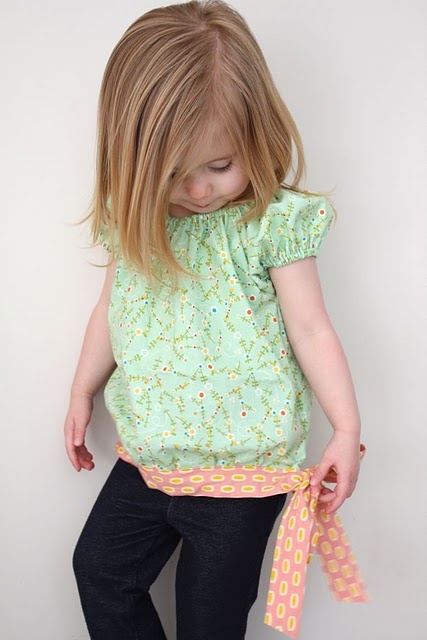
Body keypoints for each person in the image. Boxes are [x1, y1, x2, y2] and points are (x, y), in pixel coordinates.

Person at [64, 1, 364, 639]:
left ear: (256, 135)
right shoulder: (135, 218)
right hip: (149, 458)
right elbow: (111, 309)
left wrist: (346, 426)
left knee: (211, 619)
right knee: (100, 571)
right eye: (175, 173)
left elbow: (312, 328)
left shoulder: (269, 224)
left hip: (244, 471)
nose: (199, 190)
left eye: (221, 166)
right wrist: (82, 391)